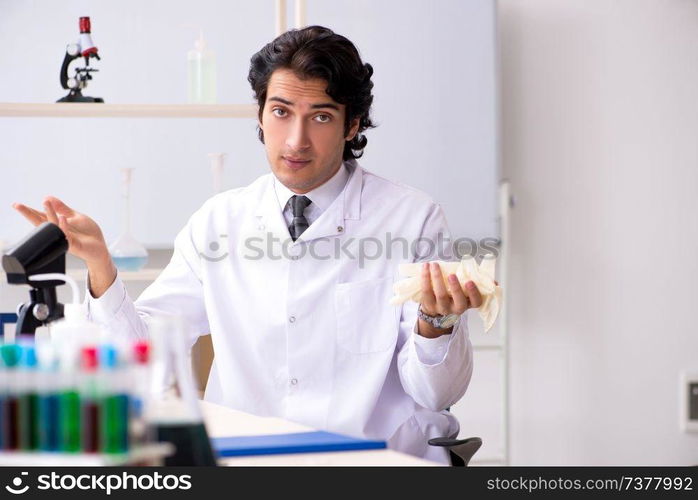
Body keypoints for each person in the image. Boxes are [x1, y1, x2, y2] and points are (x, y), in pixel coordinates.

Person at [13, 26, 481, 464]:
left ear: (352, 124)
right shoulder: (219, 221)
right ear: (259, 113)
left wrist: (435, 323)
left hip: (369, 460)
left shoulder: (411, 217)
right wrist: (100, 264)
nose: (296, 141)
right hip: (248, 460)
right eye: (281, 112)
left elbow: (436, 394)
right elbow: (144, 359)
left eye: (320, 116)